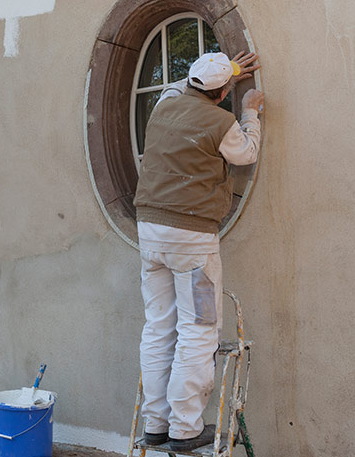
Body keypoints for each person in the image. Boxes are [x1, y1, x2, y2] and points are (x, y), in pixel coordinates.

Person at [133, 50, 263, 452]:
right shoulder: (222, 120)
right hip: (191, 238)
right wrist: (250, 111)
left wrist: (229, 71)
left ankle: (155, 425)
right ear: (223, 94)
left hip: (150, 231)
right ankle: (185, 429)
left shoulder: (164, 104)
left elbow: (187, 84)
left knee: (158, 327)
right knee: (199, 330)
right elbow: (246, 154)